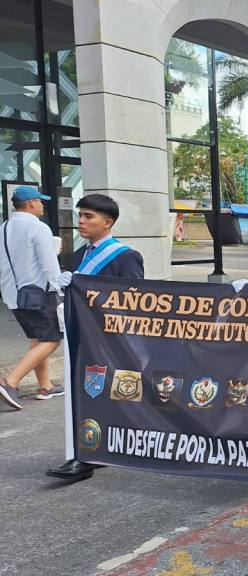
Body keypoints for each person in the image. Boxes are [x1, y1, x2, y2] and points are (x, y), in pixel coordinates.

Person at [46, 193, 145, 482]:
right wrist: (65, 286)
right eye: (80, 215)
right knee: (86, 396)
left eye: (88, 216)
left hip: (110, 343)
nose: (81, 221)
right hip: (82, 339)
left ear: (107, 222)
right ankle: (88, 451)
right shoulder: (79, 254)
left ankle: (93, 453)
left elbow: (135, 300)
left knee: (108, 398)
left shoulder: (125, 256)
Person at [0, 186, 64, 411]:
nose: (42, 205)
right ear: (31, 203)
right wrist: (60, 288)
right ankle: (9, 383)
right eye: (40, 201)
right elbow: (49, 265)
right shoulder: (39, 228)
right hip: (39, 294)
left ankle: (46, 386)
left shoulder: (3, 227)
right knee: (51, 340)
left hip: (13, 295)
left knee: (38, 338)